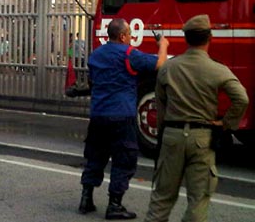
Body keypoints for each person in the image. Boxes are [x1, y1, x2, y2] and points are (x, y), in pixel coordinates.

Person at [144, 14, 248, 222]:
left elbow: (161, 103)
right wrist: (225, 123)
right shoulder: (218, 69)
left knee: (162, 198)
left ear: (186, 39)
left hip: (172, 135)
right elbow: (242, 99)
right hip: (202, 137)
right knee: (198, 198)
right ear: (210, 38)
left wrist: (166, 131)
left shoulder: (168, 68)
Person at [79, 18, 169, 220]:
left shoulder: (96, 55)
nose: (131, 37)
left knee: (95, 156)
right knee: (124, 159)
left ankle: (86, 199)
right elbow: (160, 64)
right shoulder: (129, 54)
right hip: (121, 115)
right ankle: (115, 205)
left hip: (98, 115)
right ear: (122, 36)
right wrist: (162, 46)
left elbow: (94, 81)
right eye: (129, 34)